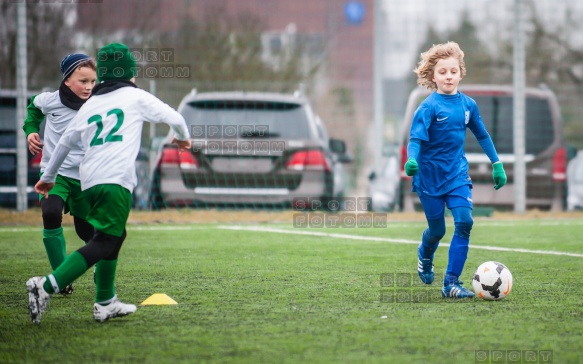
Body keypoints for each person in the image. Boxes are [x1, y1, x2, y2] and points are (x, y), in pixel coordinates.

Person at [27, 42, 191, 324]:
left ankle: (105, 301)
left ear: (101, 75)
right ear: (129, 74)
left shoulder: (93, 103)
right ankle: (46, 286)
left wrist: (48, 177)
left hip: (88, 182)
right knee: (105, 241)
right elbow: (174, 117)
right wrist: (184, 137)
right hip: (114, 180)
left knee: (114, 236)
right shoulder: (135, 97)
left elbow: (65, 141)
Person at [405, 41, 507, 298]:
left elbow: (482, 135)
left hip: (457, 174)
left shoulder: (468, 105)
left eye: (453, 71)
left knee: (465, 221)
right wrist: (412, 160)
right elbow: (415, 139)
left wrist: (497, 164)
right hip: (429, 176)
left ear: (461, 72)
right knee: (437, 231)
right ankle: (424, 253)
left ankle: (451, 283)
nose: (448, 76)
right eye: (442, 72)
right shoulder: (427, 107)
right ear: (433, 77)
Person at [23, 54, 97, 296]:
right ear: (66, 80)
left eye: (92, 82)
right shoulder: (50, 100)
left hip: (86, 176)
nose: (88, 87)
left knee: (86, 230)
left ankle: (101, 264)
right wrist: (31, 131)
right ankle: (61, 280)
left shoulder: (98, 103)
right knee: (51, 213)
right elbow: (33, 106)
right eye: (83, 81)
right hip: (55, 174)